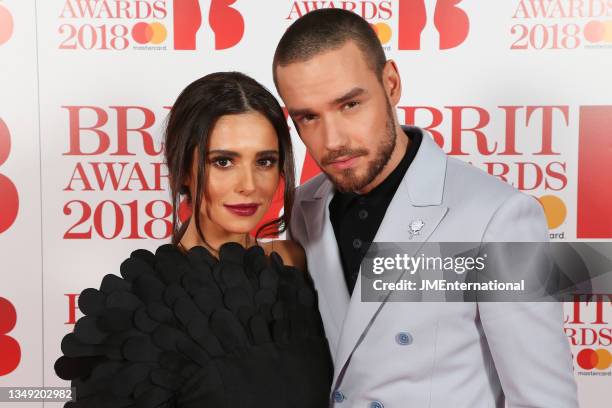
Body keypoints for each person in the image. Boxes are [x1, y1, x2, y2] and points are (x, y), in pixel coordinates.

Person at [273, 9, 578, 408]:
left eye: (349, 105)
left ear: (391, 83)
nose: (333, 141)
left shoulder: (496, 218)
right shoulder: (303, 209)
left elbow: (544, 400)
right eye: (308, 117)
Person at [54, 72, 333, 407]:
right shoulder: (137, 308)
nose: (249, 184)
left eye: (264, 161)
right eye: (224, 161)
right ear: (183, 167)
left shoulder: (302, 264)